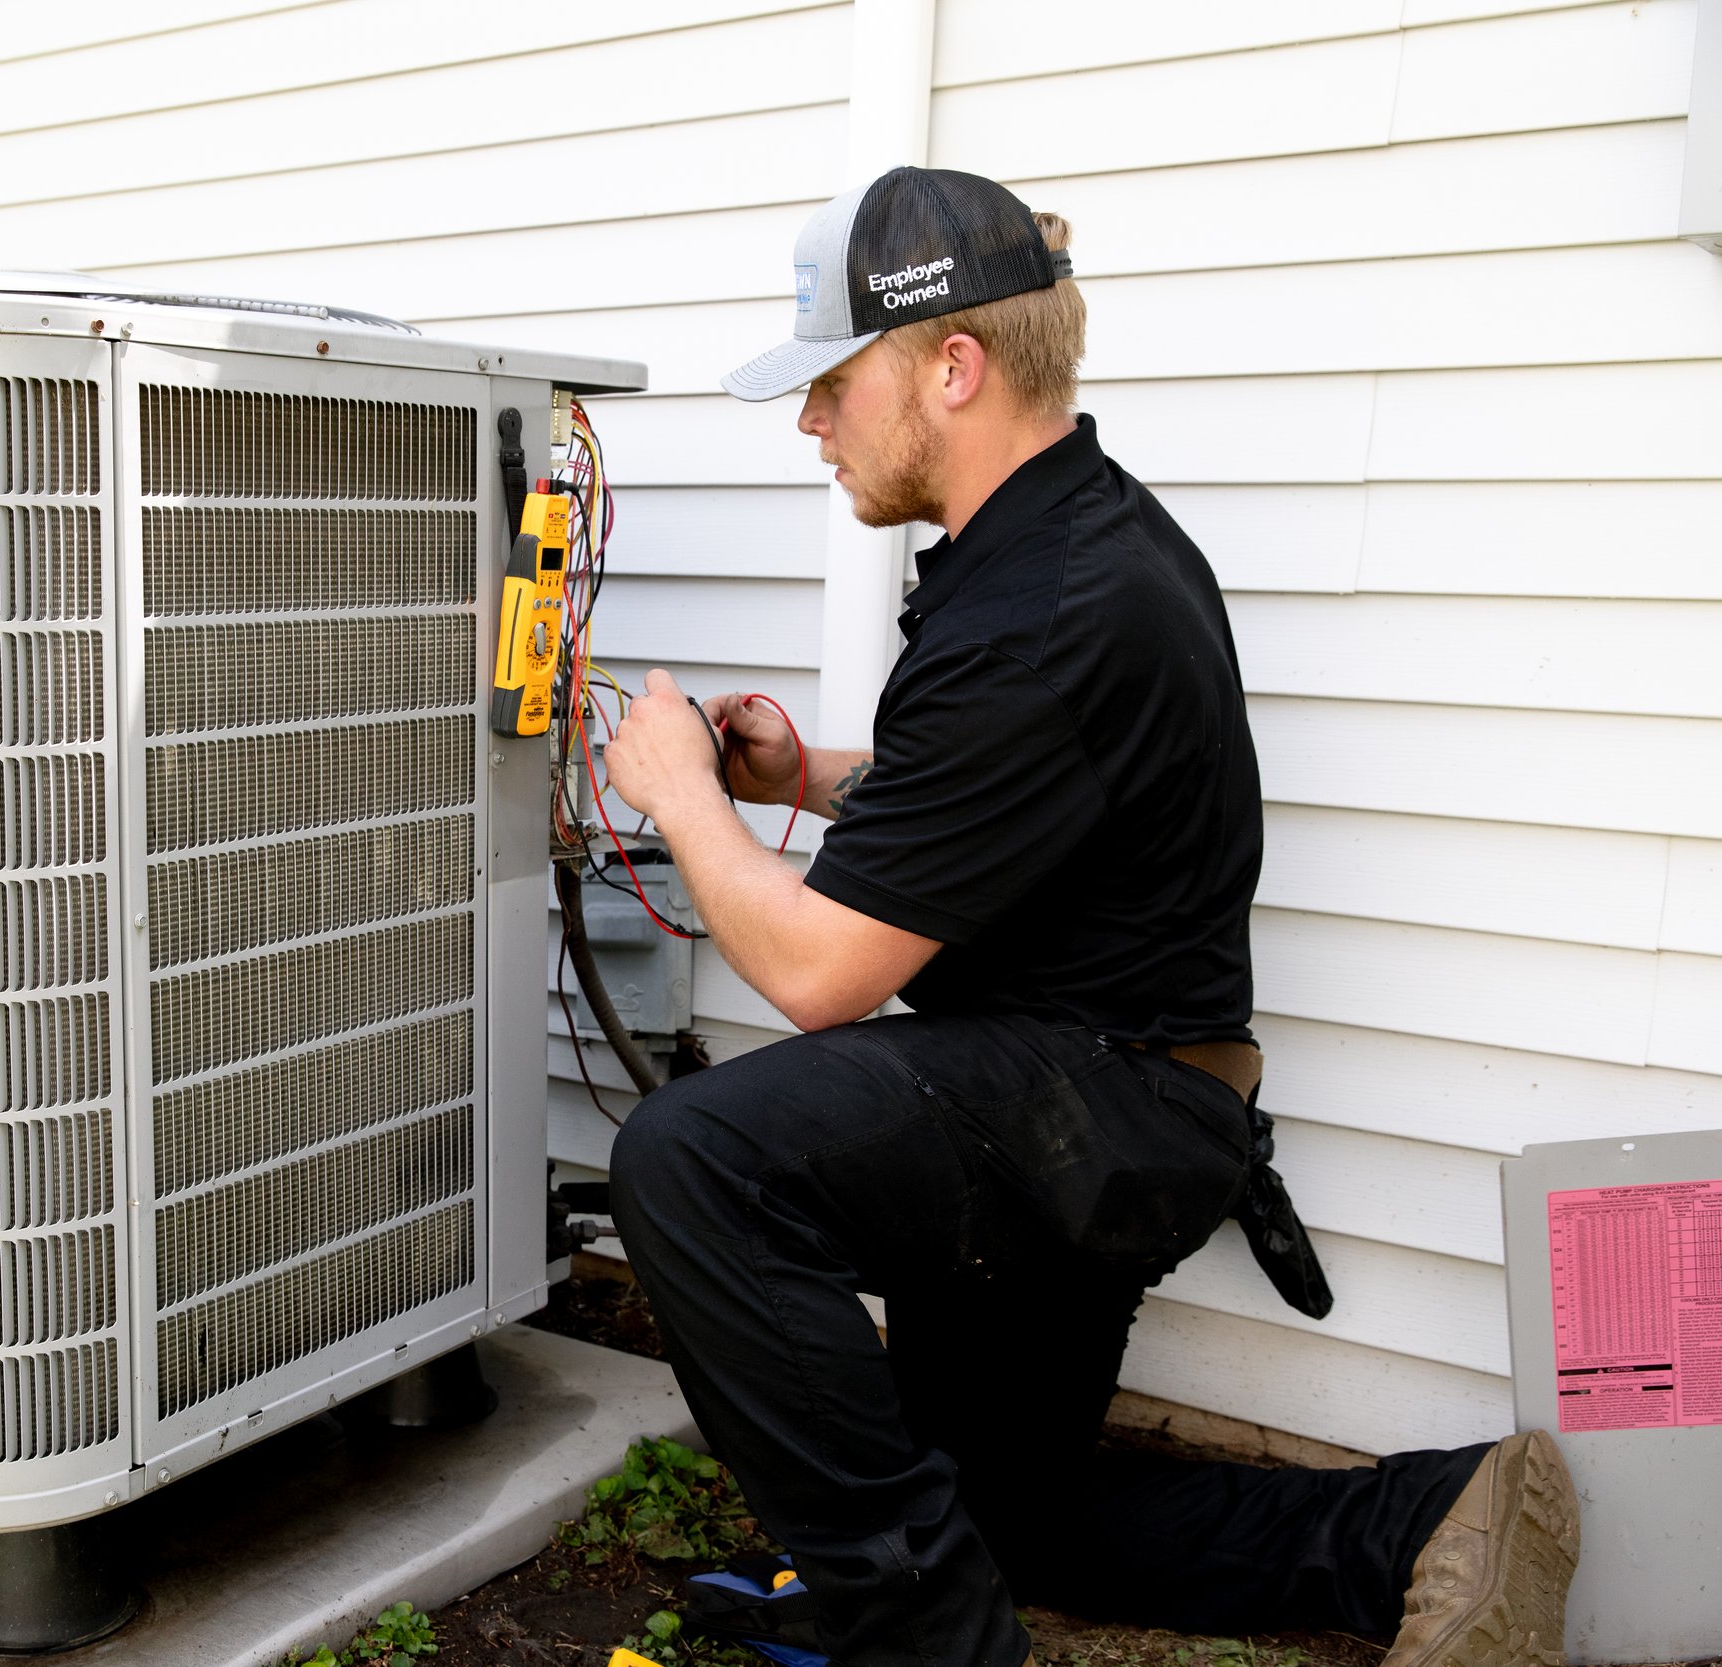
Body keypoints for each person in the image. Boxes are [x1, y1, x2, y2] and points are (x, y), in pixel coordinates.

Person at [599, 167, 1581, 1667]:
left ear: (951, 365)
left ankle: (925, 1645)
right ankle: (1430, 1522)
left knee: (692, 1160)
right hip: (1120, 1101)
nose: (812, 426)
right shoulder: (1081, 543)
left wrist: (685, 798)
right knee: (1019, 1523)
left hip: (1089, 1114)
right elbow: (1016, 792)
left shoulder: (1039, 611)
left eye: (829, 386)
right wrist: (812, 776)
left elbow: (816, 977)